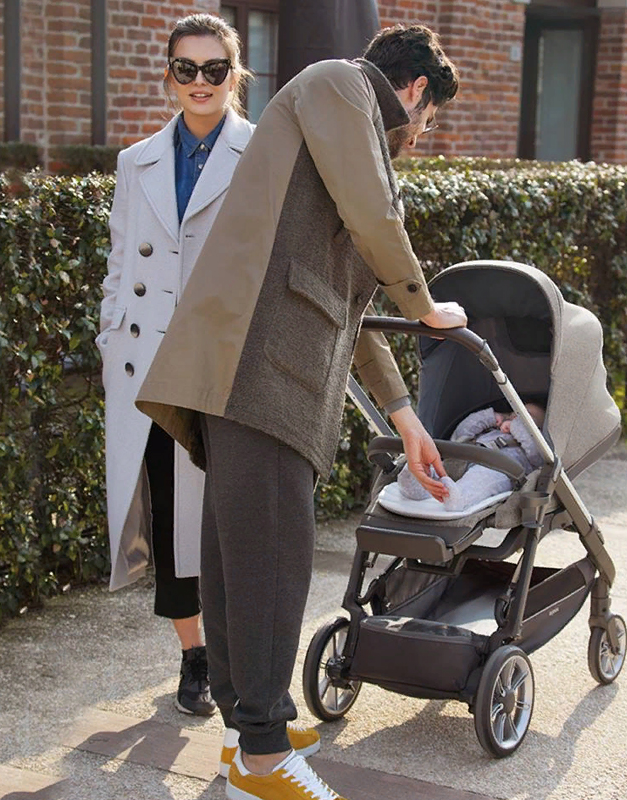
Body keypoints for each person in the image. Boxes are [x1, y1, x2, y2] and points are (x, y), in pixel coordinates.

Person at [136, 24, 465, 800]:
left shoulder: (341, 128)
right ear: (415, 89)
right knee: (272, 565)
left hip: (259, 368)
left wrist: (404, 417)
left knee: (236, 562)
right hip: (263, 366)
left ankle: (242, 735)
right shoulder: (338, 85)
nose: (421, 134)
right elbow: (376, 219)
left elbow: (348, 299)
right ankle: (262, 757)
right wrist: (424, 307)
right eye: (429, 118)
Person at [95, 13, 253, 717]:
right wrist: (112, 340)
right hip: (151, 365)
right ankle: (195, 657)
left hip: (227, 366)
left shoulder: (263, 152)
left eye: (214, 69)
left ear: (235, 75)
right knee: (170, 515)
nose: (200, 81)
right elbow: (119, 261)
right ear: (169, 76)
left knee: (228, 516)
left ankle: (240, 655)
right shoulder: (136, 162)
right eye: (186, 69)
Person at [397, 402, 546, 512]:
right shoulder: (491, 430)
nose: (519, 415)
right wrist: (492, 417)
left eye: (528, 415)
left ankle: (459, 498)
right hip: (463, 457)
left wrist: (517, 426)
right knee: (437, 467)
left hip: (498, 469)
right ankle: (416, 485)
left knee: (478, 482)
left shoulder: (533, 444)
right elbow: (462, 432)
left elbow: (537, 456)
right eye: (517, 412)